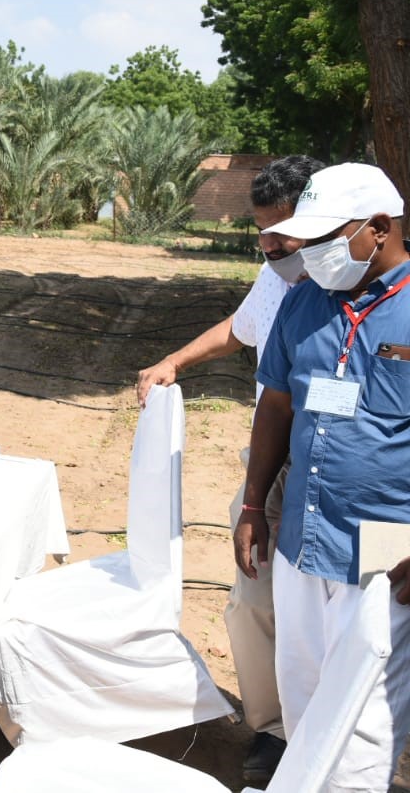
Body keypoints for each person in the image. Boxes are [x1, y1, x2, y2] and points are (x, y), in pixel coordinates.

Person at [135, 155, 324, 785]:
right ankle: (271, 730)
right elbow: (240, 332)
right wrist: (174, 360)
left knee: (332, 616)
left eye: (283, 232)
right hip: (274, 465)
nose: (270, 246)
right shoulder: (278, 275)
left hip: (346, 480)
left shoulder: (370, 291)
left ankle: (326, 736)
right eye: (262, 232)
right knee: (251, 603)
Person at [237, 162, 410, 791]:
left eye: (327, 239)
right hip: (303, 536)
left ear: (380, 229)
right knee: (304, 692)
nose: (311, 253)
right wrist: (253, 506)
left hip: (388, 553)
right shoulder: (305, 302)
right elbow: (277, 405)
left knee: (363, 716)